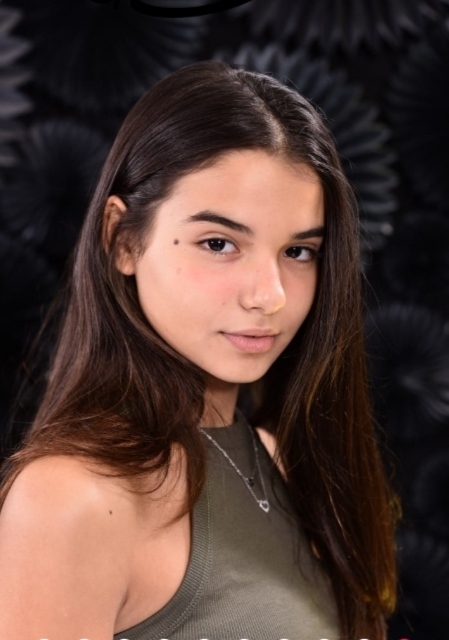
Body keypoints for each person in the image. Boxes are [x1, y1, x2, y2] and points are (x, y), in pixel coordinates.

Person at [0, 60, 397, 640]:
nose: (270, 295)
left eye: (298, 252)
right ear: (122, 240)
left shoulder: (282, 462)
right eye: (219, 243)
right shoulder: (72, 499)